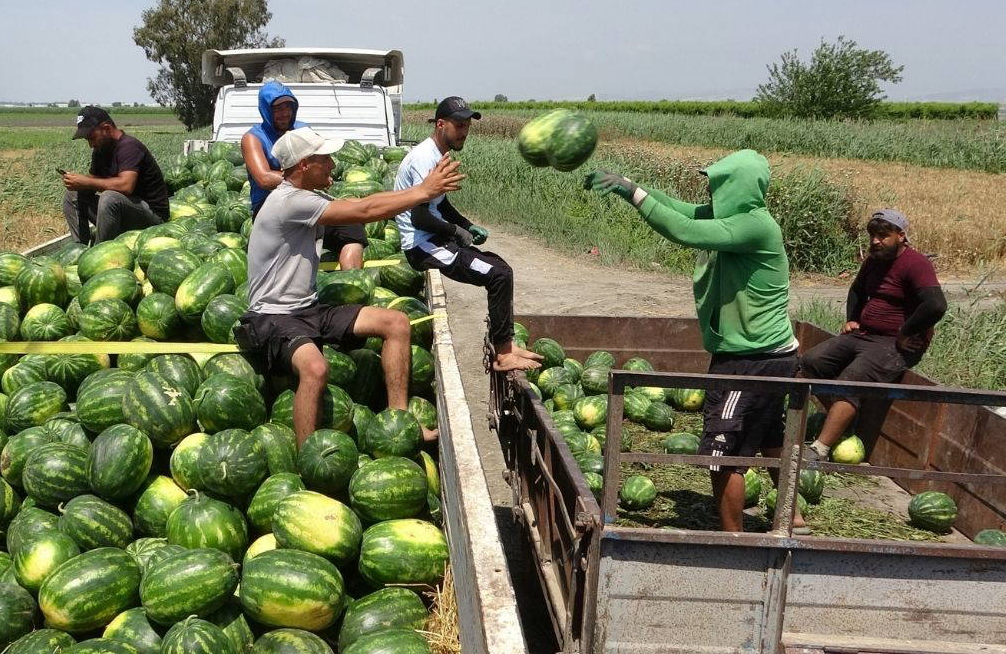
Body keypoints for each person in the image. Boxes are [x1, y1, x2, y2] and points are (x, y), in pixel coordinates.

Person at [585, 150, 808, 534]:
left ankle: (731, 541)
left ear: (738, 185)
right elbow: (682, 210)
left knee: (724, 456)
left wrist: (632, 190)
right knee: (769, 436)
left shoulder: (754, 227)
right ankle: (793, 515)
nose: (711, 189)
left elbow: (683, 230)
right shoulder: (737, 218)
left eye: (718, 182)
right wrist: (629, 187)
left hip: (751, 361)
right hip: (770, 355)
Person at [236, 127, 464, 446]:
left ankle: (399, 422)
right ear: (304, 165)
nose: (332, 163)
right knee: (315, 368)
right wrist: (424, 191)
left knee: (396, 323)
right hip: (273, 317)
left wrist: (415, 194)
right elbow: (365, 211)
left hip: (307, 309)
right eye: (325, 158)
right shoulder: (290, 202)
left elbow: (363, 204)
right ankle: (308, 455)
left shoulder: (308, 198)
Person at [395, 96, 542, 372]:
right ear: (441, 125)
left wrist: (466, 224)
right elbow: (420, 216)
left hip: (435, 240)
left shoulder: (437, 154)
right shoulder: (425, 159)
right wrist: (455, 232)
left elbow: (439, 203)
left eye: (467, 126)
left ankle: (506, 344)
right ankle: (503, 354)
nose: (464, 132)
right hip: (422, 245)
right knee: (497, 274)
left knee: (499, 266)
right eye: (459, 125)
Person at [800, 210, 946, 460]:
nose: (876, 241)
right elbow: (857, 289)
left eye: (883, 236)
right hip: (864, 334)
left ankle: (820, 449)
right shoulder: (874, 260)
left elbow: (936, 305)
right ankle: (843, 422)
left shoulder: (916, 264)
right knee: (810, 363)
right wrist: (852, 318)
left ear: (901, 236)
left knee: (851, 381)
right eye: (872, 236)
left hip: (894, 345)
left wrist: (905, 331)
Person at [242, 81, 366, 270]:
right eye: (278, 109)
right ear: (266, 110)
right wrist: (304, 177)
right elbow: (264, 178)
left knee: (351, 225)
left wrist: (320, 175)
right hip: (271, 208)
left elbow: (319, 160)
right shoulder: (253, 138)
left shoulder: (302, 129)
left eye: (288, 107)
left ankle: (353, 284)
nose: (285, 113)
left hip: (306, 201)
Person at [61, 106, 169, 244]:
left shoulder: (129, 147)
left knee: (109, 198)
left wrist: (87, 181)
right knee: (73, 196)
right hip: (123, 213)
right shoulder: (100, 150)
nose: (90, 144)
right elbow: (95, 182)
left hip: (152, 218)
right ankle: (79, 249)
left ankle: (99, 253)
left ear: (106, 128)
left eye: (92, 137)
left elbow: (126, 186)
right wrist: (78, 182)